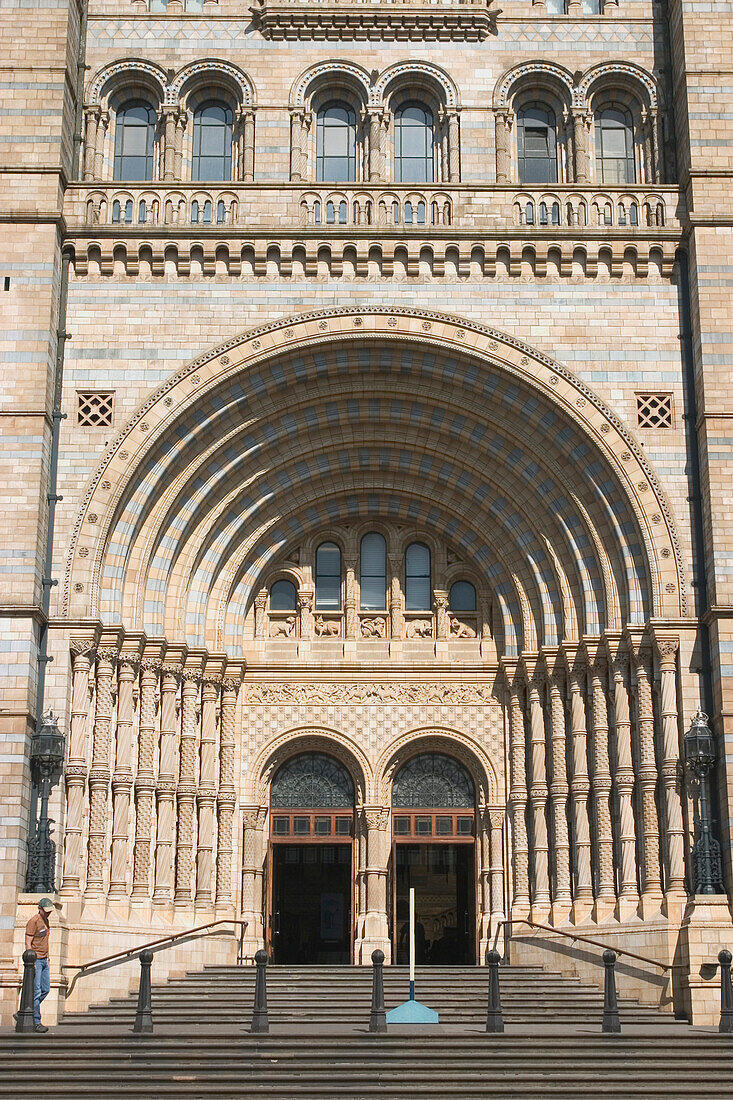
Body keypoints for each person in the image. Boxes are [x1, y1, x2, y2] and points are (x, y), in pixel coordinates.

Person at [25, 898, 54, 1033]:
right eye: (46, 911)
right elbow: (28, 942)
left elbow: (45, 939)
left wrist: (47, 956)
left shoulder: (46, 921)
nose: (48, 913)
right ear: (40, 909)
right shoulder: (33, 921)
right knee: (36, 992)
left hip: (44, 960)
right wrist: (31, 962)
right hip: (35, 960)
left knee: (45, 989)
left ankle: (24, 1011)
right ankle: (36, 1021)